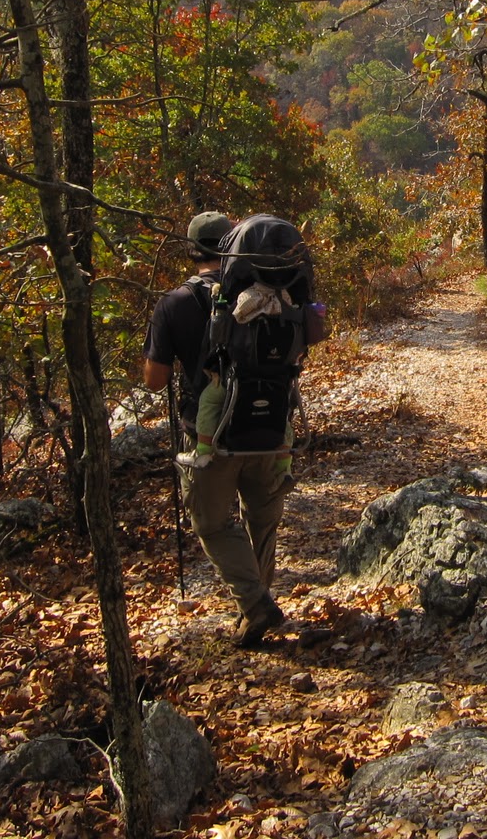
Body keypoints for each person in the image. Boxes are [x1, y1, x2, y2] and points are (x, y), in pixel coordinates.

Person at [142, 211, 290, 648]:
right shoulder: (268, 292)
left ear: (191, 250)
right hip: (271, 427)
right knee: (261, 520)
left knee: (211, 524)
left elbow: (155, 380)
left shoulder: (174, 303)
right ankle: (254, 607)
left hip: (210, 435)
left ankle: (255, 604)